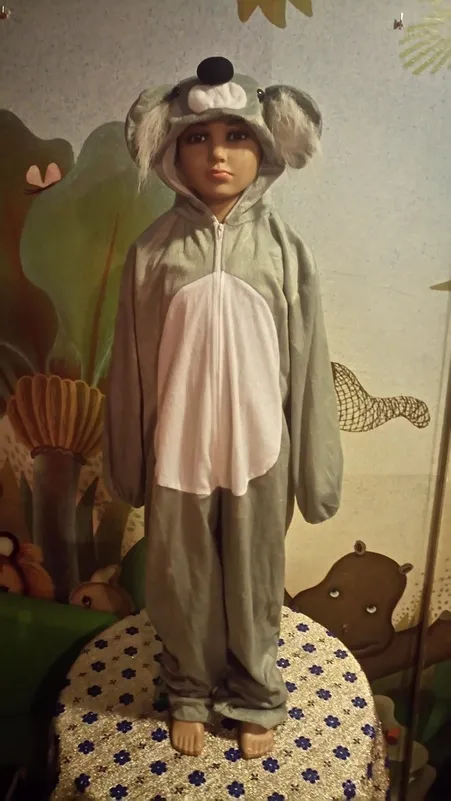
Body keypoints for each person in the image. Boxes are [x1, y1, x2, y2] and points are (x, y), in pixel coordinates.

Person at [104, 56, 343, 760]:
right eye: (198, 138)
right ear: (172, 150)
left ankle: (256, 694)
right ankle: (188, 689)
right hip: (177, 451)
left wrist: (315, 470)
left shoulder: (285, 252)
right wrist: (128, 461)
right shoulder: (153, 252)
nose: (217, 154)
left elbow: (309, 364)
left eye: (236, 136)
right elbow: (129, 368)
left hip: (258, 451)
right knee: (180, 578)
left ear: (264, 147)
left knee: (255, 574)